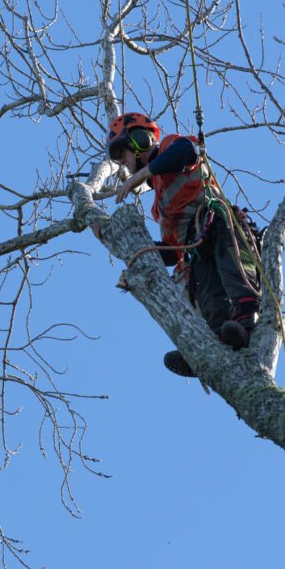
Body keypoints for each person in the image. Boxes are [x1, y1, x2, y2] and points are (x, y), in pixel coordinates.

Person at [108, 112, 260, 377]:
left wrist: (141, 174)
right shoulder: (159, 205)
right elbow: (172, 250)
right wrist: (138, 251)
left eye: (123, 154)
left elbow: (188, 151)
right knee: (202, 283)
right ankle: (217, 343)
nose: (124, 164)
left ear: (140, 140)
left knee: (227, 256)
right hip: (194, 247)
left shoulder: (170, 148)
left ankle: (247, 315)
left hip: (217, 224)